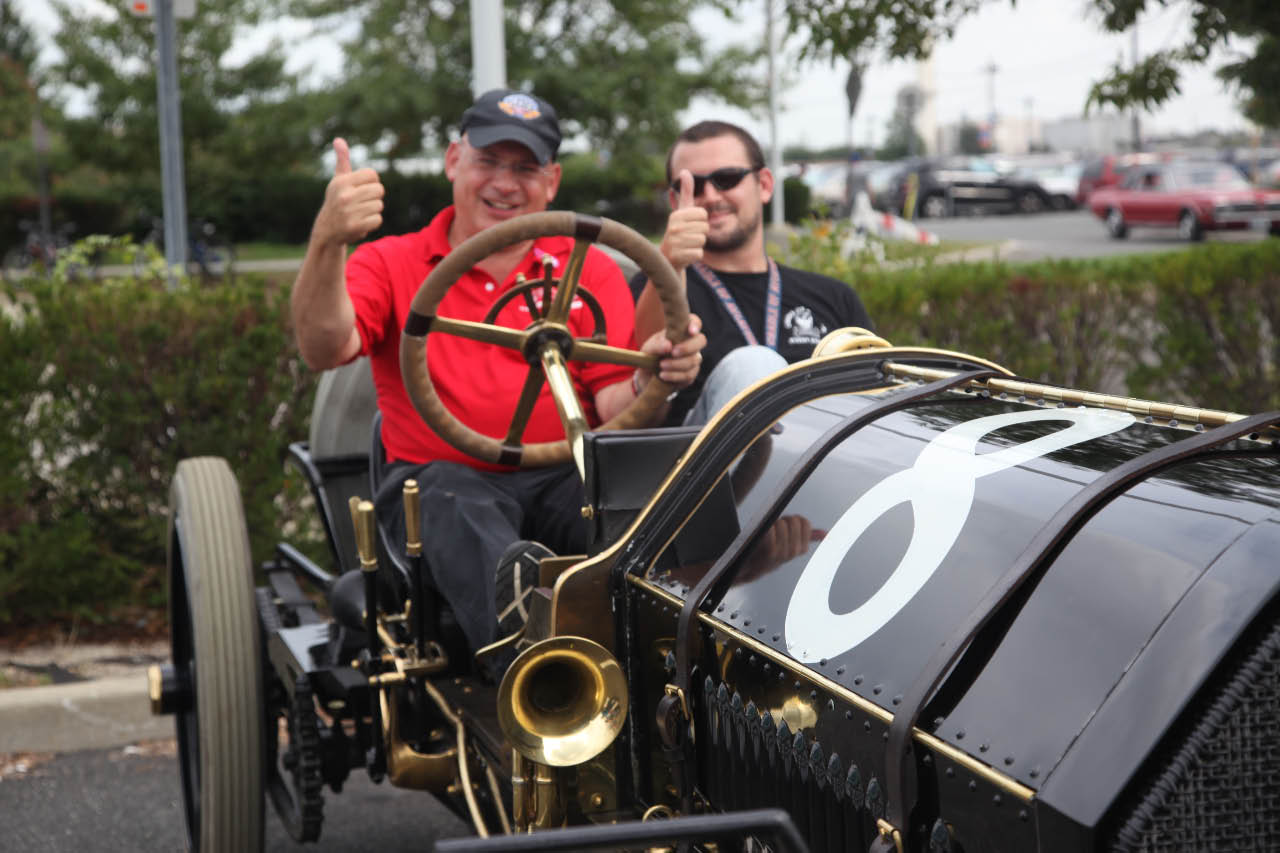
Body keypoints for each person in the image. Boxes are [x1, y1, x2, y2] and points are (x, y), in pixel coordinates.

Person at [291, 89, 705, 665]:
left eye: (525, 168)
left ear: (552, 181)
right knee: (453, 501)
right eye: (488, 161)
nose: (505, 184)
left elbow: (615, 409)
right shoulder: (390, 263)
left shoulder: (590, 268)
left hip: (563, 478)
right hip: (440, 486)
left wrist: (651, 378)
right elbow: (323, 345)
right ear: (453, 161)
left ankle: (679, 661)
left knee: (639, 505)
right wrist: (329, 240)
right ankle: (540, 670)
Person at [632, 120, 873, 426]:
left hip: (826, 463)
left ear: (765, 185)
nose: (709, 196)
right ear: (674, 201)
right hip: (704, 467)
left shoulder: (834, 297)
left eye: (727, 178)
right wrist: (667, 264)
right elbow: (642, 412)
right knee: (753, 366)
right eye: (690, 185)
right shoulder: (652, 289)